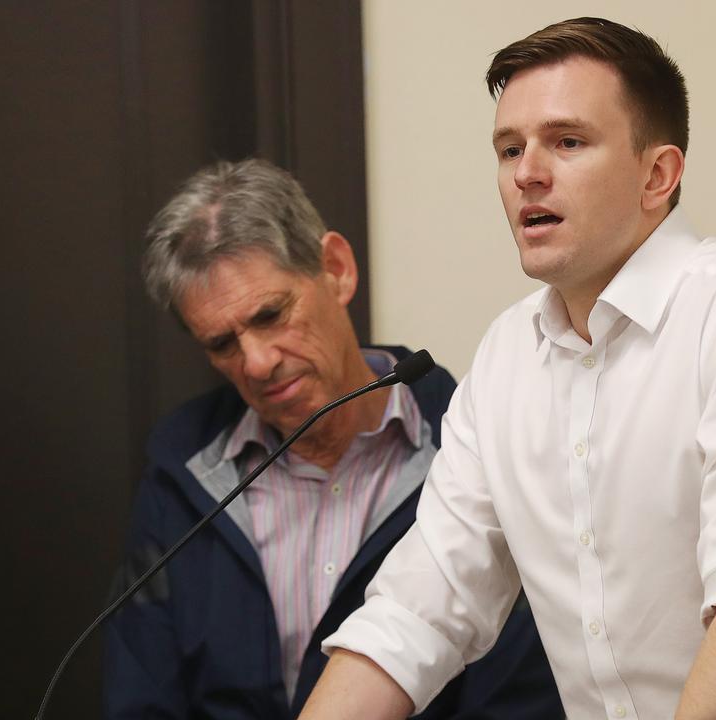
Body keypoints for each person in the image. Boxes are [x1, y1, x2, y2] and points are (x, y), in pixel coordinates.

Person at [300, 17, 716, 720]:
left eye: (567, 142)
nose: (527, 173)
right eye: (509, 148)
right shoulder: (506, 358)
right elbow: (416, 612)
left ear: (658, 174)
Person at [103, 159, 562, 720]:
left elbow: (517, 699)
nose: (257, 362)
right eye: (223, 344)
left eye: (271, 315)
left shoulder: (470, 452)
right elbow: (141, 697)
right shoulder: (182, 472)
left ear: (337, 269)